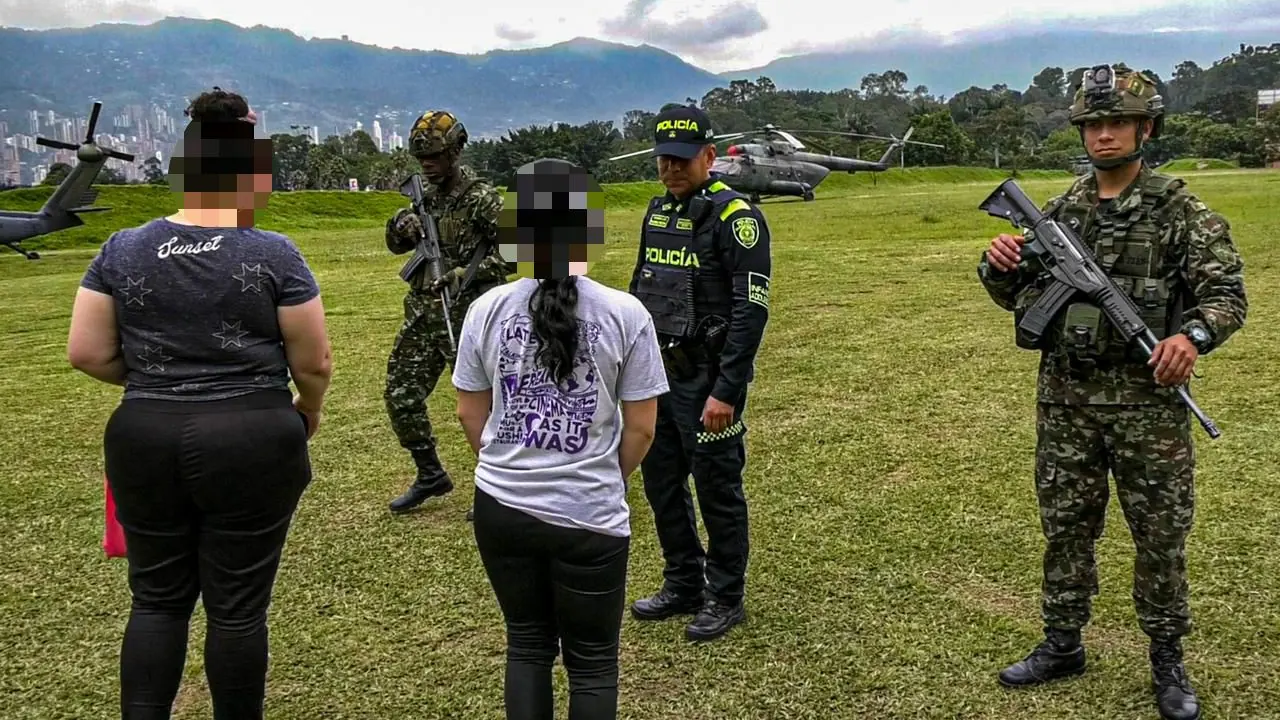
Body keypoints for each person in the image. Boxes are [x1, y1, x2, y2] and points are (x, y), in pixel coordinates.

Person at [978, 64, 1247, 720]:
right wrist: (998, 265)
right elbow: (1019, 299)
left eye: (1118, 123)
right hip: (1067, 403)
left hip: (1147, 411)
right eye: (1094, 124)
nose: (1104, 134)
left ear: (1145, 129)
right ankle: (1062, 642)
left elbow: (1226, 296)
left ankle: (1167, 660)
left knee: (1159, 536)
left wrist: (1192, 337)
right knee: (1066, 528)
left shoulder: (1181, 212)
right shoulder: (1061, 211)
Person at [66, 87, 332, 719]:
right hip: (252, 433)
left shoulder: (121, 248)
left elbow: (86, 352)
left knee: (156, 601)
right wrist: (308, 407)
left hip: (145, 433)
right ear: (250, 177)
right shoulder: (273, 253)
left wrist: (156, 381)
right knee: (237, 609)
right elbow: (313, 360)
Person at [451, 158, 669, 719]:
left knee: (526, 644)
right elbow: (642, 427)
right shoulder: (626, 314)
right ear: (587, 229)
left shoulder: (484, 309)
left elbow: (470, 413)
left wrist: (508, 464)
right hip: (589, 513)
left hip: (501, 506)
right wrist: (601, 475)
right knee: (593, 663)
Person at [627, 105, 772, 642]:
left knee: (717, 489)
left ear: (709, 156)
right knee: (662, 484)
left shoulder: (737, 219)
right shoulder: (657, 213)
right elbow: (641, 292)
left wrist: (726, 391)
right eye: (663, 159)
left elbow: (750, 311)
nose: (671, 168)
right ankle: (683, 582)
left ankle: (725, 595)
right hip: (657, 378)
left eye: (682, 159)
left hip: (708, 382)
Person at [384, 109, 509, 518]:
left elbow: (517, 250)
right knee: (401, 395)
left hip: (469, 318)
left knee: (486, 407)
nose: (427, 165)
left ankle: (499, 487)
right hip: (423, 316)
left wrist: (466, 273)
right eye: (421, 158)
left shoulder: (481, 199)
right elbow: (397, 247)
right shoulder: (423, 198)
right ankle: (430, 473)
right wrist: (400, 225)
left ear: (455, 151)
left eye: (435, 156)